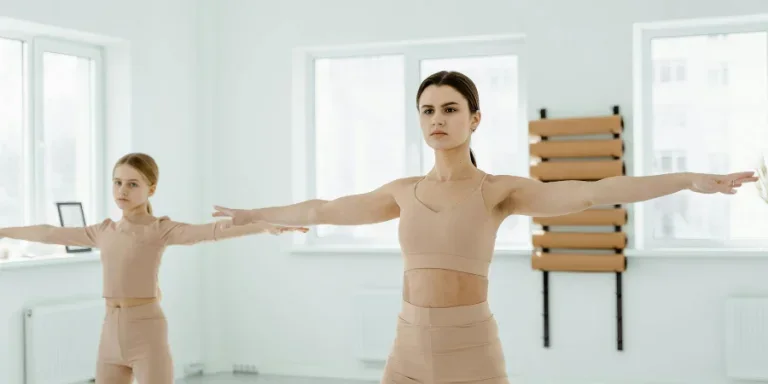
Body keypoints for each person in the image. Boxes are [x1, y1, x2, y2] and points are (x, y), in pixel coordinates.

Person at [212, 71, 757, 383]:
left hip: (469, 347)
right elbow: (322, 209)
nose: (436, 120)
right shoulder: (403, 191)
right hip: (405, 343)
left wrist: (689, 179)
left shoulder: (499, 190)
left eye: (449, 109)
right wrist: (257, 216)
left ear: (474, 119)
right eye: (426, 111)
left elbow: (597, 190)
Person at [0, 153, 308, 384]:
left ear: (151, 188)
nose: (122, 190)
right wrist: (4, 231)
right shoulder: (103, 230)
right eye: (117, 182)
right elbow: (49, 232)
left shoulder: (159, 228)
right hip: (110, 330)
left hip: (146, 330)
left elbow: (211, 231)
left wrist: (264, 226)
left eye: (132, 184)